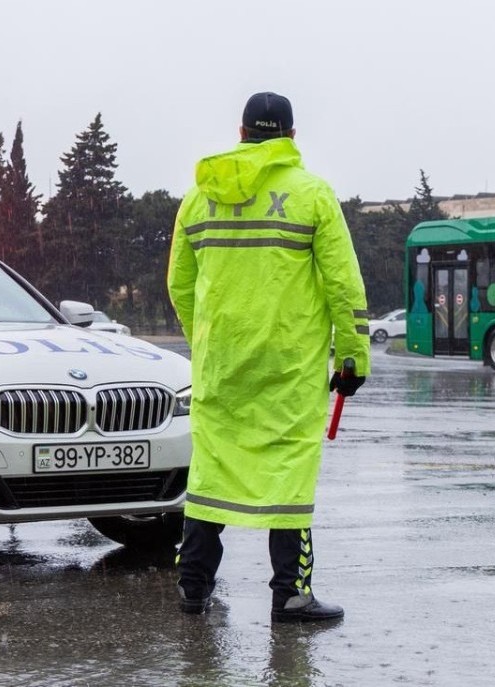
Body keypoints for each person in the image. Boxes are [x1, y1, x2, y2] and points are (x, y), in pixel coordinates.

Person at [167, 91, 371, 623]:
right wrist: (353, 358)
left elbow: (180, 285)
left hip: (221, 365)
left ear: (240, 134)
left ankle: (192, 586)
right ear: (291, 136)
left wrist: (207, 341)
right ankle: (291, 594)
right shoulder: (312, 195)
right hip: (289, 366)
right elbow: (343, 285)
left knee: (210, 474)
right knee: (289, 475)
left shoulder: (198, 198)